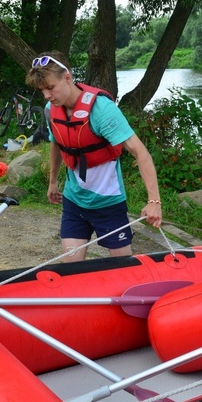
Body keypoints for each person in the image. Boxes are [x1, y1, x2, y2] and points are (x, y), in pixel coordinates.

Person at [24, 51, 162, 262]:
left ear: (67, 77)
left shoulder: (101, 110)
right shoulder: (51, 108)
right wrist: (52, 182)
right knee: (72, 271)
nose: (46, 96)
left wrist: (154, 201)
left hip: (108, 203)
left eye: (50, 88)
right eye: (42, 90)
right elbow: (56, 143)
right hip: (74, 202)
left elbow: (140, 152)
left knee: (122, 269)